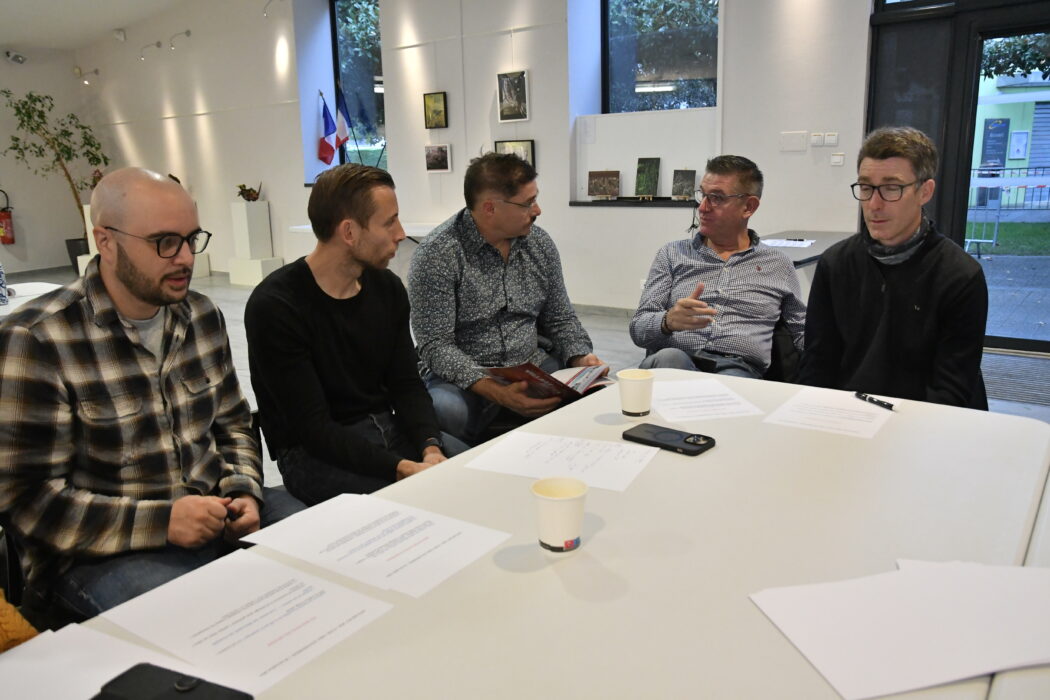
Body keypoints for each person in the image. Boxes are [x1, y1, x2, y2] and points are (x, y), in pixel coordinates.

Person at [0, 168, 304, 628]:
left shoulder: (201, 315)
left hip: (214, 510)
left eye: (191, 239)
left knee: (328, 553)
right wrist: (162, 522)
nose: (185, 257)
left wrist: (243, 487)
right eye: (164, 242)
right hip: (100, 553)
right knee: (209, 626)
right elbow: (27, 502)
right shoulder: (37, 339)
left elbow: (234, 424)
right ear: (106, 241)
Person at [245, 164, 466, 506]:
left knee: (473, 475)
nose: (400, 233)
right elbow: (313, 429)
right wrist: (400, 468)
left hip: (386, 430)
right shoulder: (276, 306)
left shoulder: (387, 288)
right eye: (389, 222)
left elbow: (406, 384)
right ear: (349, 231)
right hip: (313, 455)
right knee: (422, 502)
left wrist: (430, 446)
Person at [408, 153, 602, 445]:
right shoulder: (438, 255)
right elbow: (435, 345)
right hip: (465, 376)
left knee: (592, 398)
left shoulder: (539, 244)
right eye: (527, 203)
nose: (537, 210)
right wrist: (496, 391)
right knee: (445, 412)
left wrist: (580, 357)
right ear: (490, 208)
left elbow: (560, 318)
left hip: (532, 365)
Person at [798, 126, 988, 408]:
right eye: (866, 188)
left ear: (925, 191)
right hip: (846, 413)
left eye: (891, 188)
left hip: (923, 418)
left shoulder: (960, 275)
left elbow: (951, 389)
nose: (874, 204)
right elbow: (817, 364)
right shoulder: (835, 264)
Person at [630, 155, 806, 378]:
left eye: (716, 198)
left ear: (748, 207)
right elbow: (638, 329)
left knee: (730, 382)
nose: (702, 208)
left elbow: (802, 332)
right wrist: (667, 321)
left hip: (738, 369)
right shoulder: (673, 254)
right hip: (676, 361)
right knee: (670, 359)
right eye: (702, 195)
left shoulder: (777, 264)